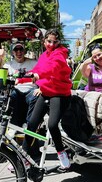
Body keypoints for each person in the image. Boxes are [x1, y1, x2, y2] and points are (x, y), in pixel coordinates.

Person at [25, 28, 72, 169]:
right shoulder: (44, 55)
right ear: (44, 41)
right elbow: (37, 69)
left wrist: (38, 76)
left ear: (58, 42)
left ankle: (61, 152)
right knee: (32, 123)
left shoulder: (60, 54)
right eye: (48, 41)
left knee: (52, 125)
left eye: (54, 42)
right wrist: (22, 76)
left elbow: (53, 68)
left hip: (60, 94)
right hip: (46, 92)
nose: (51, 44)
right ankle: (24, 155)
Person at [0, 41, 37, 126]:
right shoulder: (9, 64)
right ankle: (12, 124)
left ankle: (30, 125)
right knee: (11, 97)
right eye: (16, 50)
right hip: (16, 89)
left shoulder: (33, 63)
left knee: (35, 97)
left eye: (21, 49)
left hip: (30, 90)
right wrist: (0, 58)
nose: (19, 52)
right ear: (13, 52)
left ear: (24, 51)